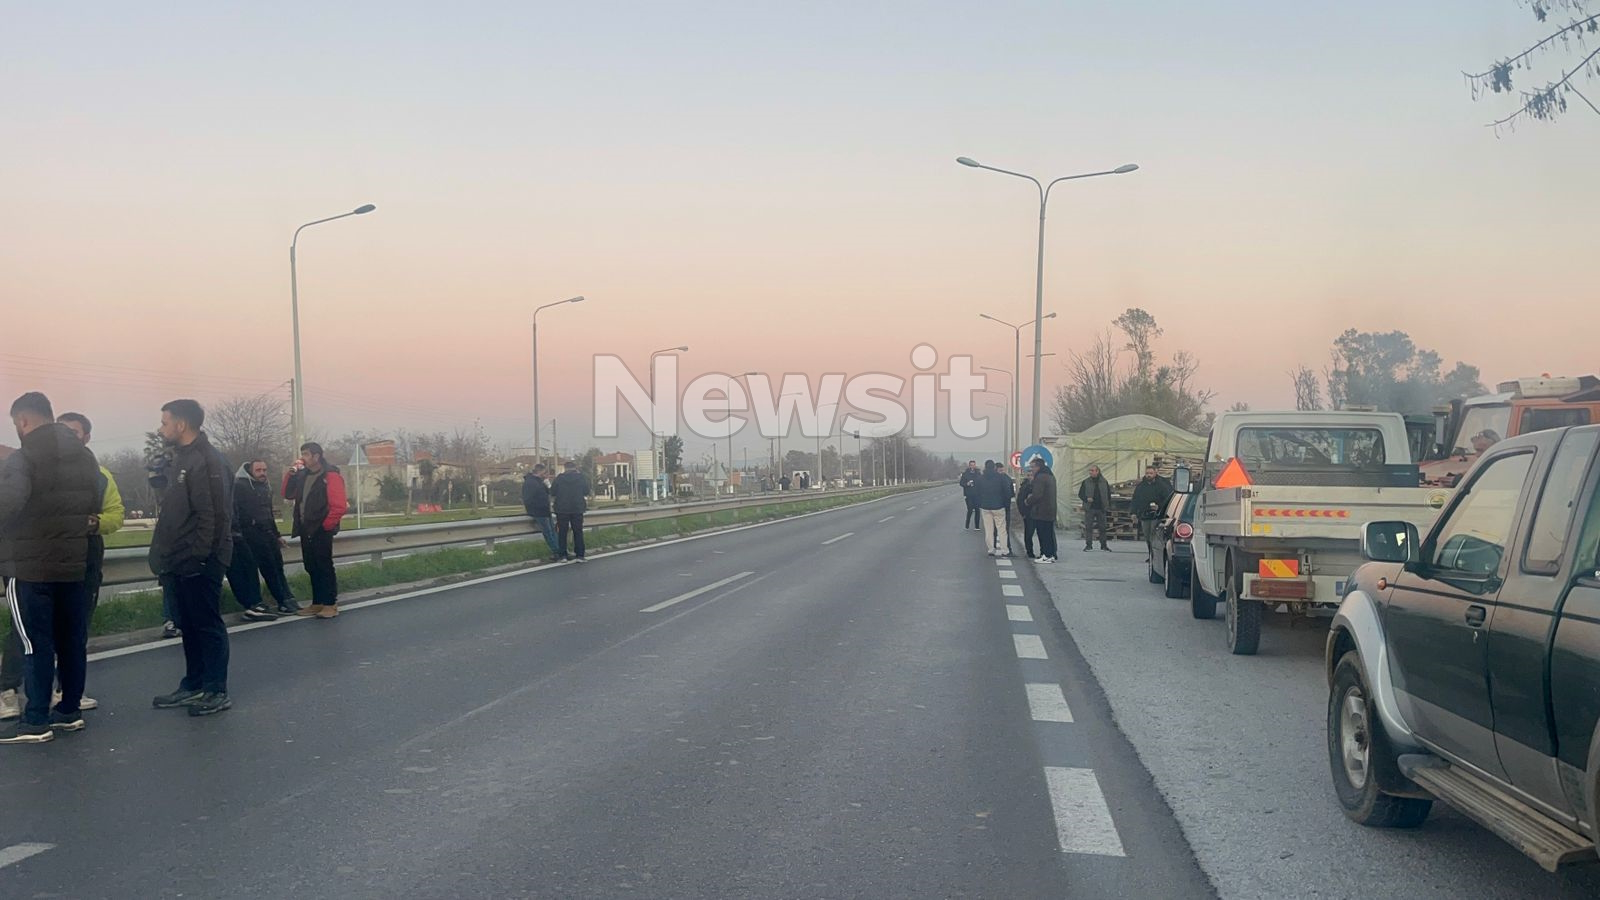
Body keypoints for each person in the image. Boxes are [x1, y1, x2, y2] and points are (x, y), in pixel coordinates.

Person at [0, 392, 100, 744]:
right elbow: (95, 499)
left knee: (34, 644)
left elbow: (7, 505)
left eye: (15, 424)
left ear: (24, 421)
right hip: (73, 564)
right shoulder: (85, 456)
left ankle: (36, 719)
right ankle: (69, 711)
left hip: (29, 567)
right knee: (72, 641)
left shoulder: (24, 458)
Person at [148, 399, 234, 717]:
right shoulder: (181, 458)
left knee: (207, 625)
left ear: (181, 424)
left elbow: (213, 514)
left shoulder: (206, 460)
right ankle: (194, 683)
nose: (161, 428)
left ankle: (215, 689)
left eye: (164, 422)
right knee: (189, 625)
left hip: (200, 559)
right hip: (179, 559)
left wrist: (201, 559)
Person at [283, 442, 348, 619]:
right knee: (311, 565)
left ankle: (330, 603)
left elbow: (339, 505)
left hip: (320, 528)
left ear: (316, 456)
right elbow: (288, 494)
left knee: (324, 565)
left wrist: (327, 525)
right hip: (306, 527)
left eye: (306, 454)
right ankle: (317, 602)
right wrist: (290, 475)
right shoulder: (303, 475)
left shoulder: (330, 475)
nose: (303, 457)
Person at [233, 460, 298, 621]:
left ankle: (286, 598)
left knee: (277, 566)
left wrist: (277, 535)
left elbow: (268, 512)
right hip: (251, 534)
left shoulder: (265, 486)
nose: (263, 473)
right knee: (267, 568)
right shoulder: (239, 486)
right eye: (259, 470)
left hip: (267, 532)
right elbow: (236, 512)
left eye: (264, 469)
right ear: (250, 470)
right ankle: (280, 600)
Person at [1130, 465, 1174, 563]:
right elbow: (1135, 499)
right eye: (1147, 473)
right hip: (1144, 515)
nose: (1148, 475)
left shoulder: (1162, 485)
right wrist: (1133, 512)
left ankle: (1155, 556)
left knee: (1154, 536)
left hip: (1157, 515)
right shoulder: (1141, 486)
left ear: (1155, 473)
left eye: (1151, 473)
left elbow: (1168, 499)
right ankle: (1151, 554)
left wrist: (1159, 507)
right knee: (1147, 536)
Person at [552, 460, 589, 562]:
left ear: (565, 468)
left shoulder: (559, 478)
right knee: (578, 531)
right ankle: (580, 555)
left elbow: (553, 492)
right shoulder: (581, 478)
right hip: (577, 508)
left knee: (562, 532)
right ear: (575, 467)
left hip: (562, 509)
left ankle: (563, 555)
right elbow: (586, 491)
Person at [975, 460, 1014, 558]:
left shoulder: (980, 479)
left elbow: (977, 493)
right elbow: (1007, 492)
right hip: (999, 506)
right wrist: (1006, 504)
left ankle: (991, 549)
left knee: (988, 529)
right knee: (1001, 529)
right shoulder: (1001, 478)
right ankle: (1005, 550)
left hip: (985, 507)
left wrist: (981, 503)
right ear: (994, 468)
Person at [1025, 458, 1059, 563]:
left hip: (1041, 510)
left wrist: (1028, 501)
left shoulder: (1040, 477)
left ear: (1038, 467)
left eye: (1033, 467)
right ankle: (1051, 554)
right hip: (1050, 510)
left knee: (1043, 534)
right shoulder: (1050, 476)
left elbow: (1037, 495)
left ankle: (1046, 555)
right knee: (1049, 534)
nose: (1032, 470)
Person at [521, 464, 558, 556]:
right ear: (539, 472)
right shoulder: (530, 482)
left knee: (553, 532)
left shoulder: (539, 482)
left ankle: (560, 550)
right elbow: (527, 498)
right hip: (538, 511)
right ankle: (557, 552)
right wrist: (533, 508)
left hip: (545, 510)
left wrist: (547, 483)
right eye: (545, 473)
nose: (546, 475)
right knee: (548, 533)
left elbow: (549, 492)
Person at [1079, 464, 1112, 551]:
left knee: (1103, 528)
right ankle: (1089, 545)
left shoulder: (1104, 482)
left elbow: (1108, 494)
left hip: (1101, 508)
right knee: (1088, 527)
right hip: (1090, 508)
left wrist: (1107, 504)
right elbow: (1080, 494)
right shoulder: (1085, 482)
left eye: (1093, 470)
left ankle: (1104, 545)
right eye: (1090, 470)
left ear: (1098, 471)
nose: (1091, 472)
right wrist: (1086, 499)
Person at [1015, 470, 1037, 559]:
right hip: (1028, 514)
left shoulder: (1038, 485)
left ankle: (1044, 552)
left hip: (1039, 513)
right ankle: (1029, 552)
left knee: (1040, 533)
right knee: (1028, 533)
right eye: (1028, 475)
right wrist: (1022, 513)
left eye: (1031, 475)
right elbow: (1019, 500)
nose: (1030, 477)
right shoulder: (1024, 486)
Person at [958, 460, 981, 530]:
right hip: (968, 494)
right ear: (969, 465)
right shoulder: (965, 474)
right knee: (970, 509)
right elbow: (961, 483)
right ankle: (967, 525)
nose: (972, 466)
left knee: (977, 510)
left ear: (975, 465)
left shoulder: (978, 474)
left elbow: (981, 482)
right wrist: (966, 484)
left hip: (977, 494)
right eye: (971, 465)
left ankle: (977, 526)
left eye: (973, 465)